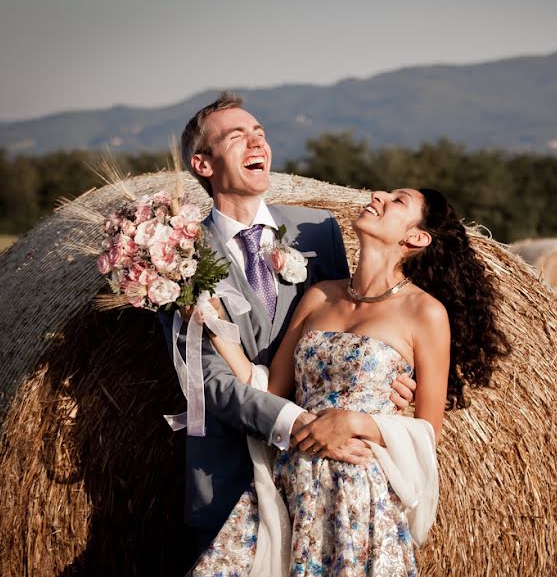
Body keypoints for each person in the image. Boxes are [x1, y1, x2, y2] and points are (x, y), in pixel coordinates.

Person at [191, 186, 511, 575]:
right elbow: (270, 389)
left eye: (397, 200)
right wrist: (210, 320)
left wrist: (359, 423)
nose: (378, 195)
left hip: (360, 496)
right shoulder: (320, 296)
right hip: (290, 485)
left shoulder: (425, 313)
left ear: (416, 237)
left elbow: (427, 431)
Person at [160, 92, 416, 561]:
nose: (257, 141)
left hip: (327, 482)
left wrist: (399, 382)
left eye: (259, 132)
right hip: (230, 479)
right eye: (237, 137)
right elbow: (209, 381)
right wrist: (304, 426)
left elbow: (361, 326)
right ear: (203, 163)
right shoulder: (177, 252)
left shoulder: (316, 231)